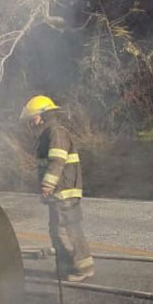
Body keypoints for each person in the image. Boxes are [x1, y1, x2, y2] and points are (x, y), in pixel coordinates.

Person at [21, 95, 94, 282]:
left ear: (44, 115)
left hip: (64, 191)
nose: (31, 123)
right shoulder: (47, 135)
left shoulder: (56, 133)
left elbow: (57, 161)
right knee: (56, 231)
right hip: (58, 192)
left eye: (33, 118)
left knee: (69, 230)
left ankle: (82, 269)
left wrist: (47, 184)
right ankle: (66, 267)